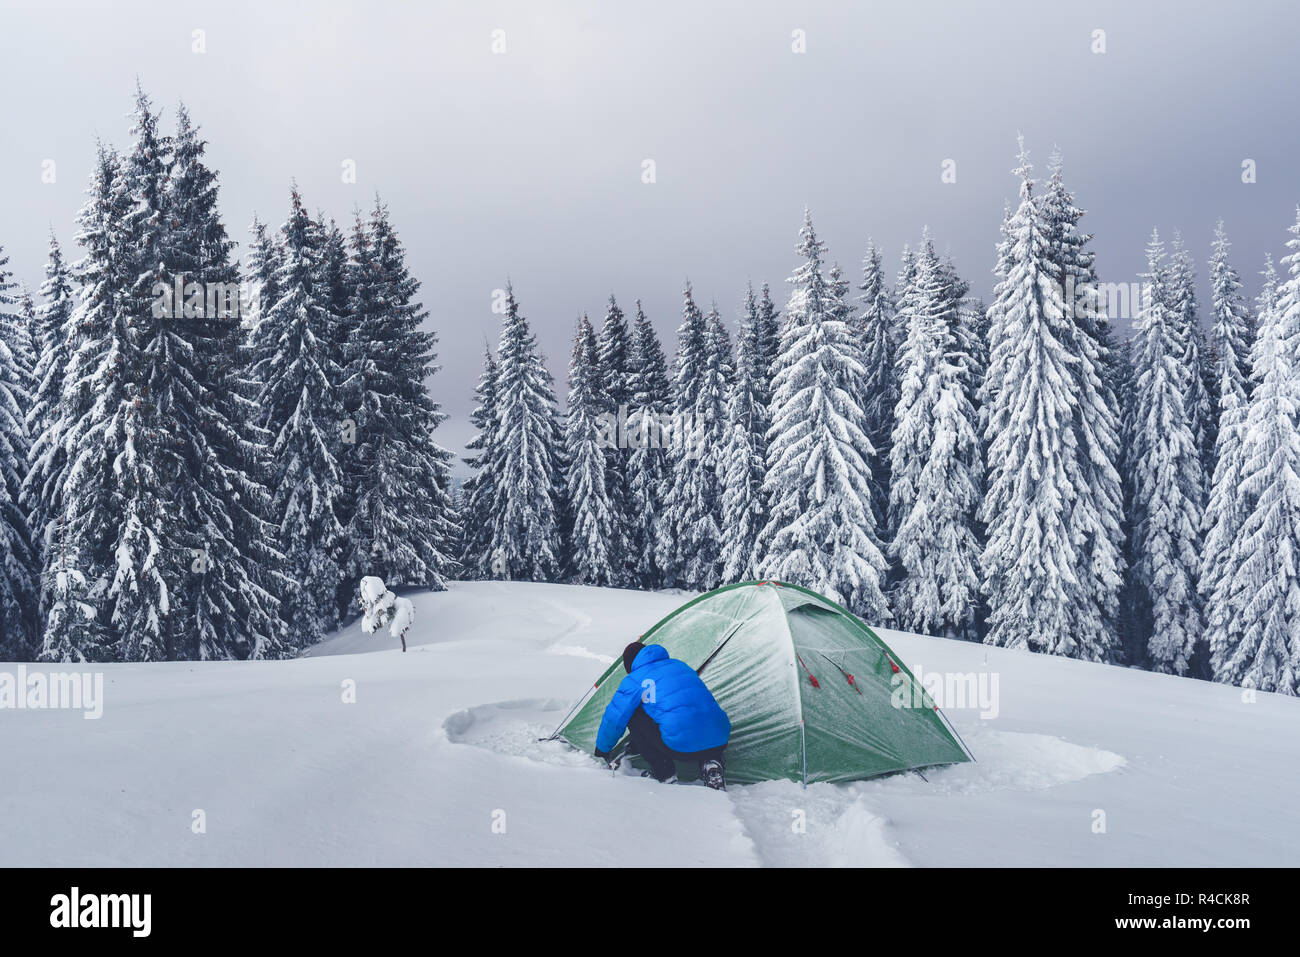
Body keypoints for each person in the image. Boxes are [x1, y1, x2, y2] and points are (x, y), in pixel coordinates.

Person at [593, 642, 730, 790]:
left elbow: (615, 718)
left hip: (680, 745)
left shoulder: (635, 679)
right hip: (720, 737)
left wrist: (602, 749)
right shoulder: (680, 665)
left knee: (634, 715)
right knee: (695, 710)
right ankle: (712, 763)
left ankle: (664, 772)